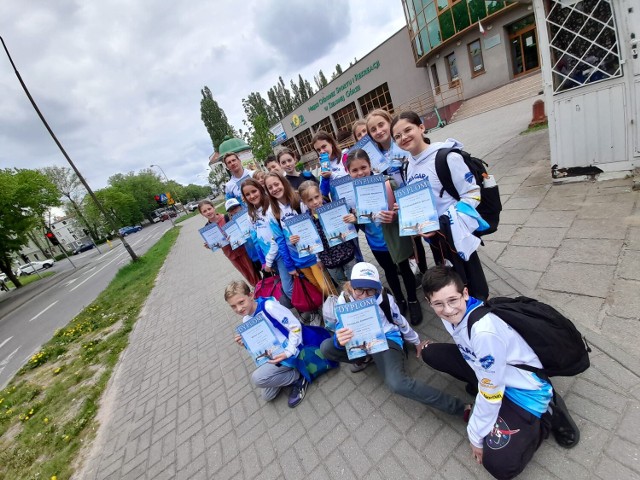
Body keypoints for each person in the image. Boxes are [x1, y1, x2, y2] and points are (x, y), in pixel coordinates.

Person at [421, 266, 579, 479]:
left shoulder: (484, 333)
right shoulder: (457, 313)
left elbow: (491, 393)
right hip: (488, 368)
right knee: (429, 353)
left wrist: (475, 436)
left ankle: (549, 412)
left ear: (465, 294)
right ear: (428, 301)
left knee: (500, 466)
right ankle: (482, 386)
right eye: (438, 304)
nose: (448, 310)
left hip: (522, 390)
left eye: (452, 300)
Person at [320, 262, 469, 414]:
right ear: (351, 286)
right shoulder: (343, 299)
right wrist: (339, 339)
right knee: (326, 347)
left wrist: (416, 341)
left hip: (385, 339)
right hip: (359, 339)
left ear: (377, 288)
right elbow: (340, 324)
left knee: (396, 383)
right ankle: (365, 358)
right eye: (359, 290)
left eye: (370, 291)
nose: (364, 296)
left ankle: (459, 408)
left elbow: (400, 321)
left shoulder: (385, 299)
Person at [391, 110, 489, 300]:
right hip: (434, 239)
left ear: (421, 127)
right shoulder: (407, 166)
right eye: (397, 136)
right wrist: (407, 211)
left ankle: (481, 315)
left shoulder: (447, 157)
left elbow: (472, 195)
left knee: (472, 286)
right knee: (451, 287)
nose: (403, 137)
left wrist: (443, 221)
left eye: (407, 130)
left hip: (457, 236)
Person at [344, 149, 423, 325]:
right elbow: (359, 221)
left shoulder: (387, 183)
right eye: (354, 170)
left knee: (405, 269)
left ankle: (412, 300)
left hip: (395, 238)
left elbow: (404, 207)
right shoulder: (351, 195)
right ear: (348, 172)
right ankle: (400, 301)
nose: (360, 173)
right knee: (389, 272)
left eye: (363, 167)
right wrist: (354, 219)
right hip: (375, 242)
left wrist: (395, 215)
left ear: (370, 165)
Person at [225, 280, 309, 408]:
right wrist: (245, 343)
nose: (239, 309)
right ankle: (288, 372)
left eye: (241, 302)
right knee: (267, 396)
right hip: (274, 354)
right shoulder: (246, 319)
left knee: (258, 379)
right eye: (233, 306)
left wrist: (289, 351)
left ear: (251, 295)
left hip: (290, 350)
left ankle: (298, 375)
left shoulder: (269, 306)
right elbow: (259, 345)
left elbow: (296, 326)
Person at [366, 109, 428, 277]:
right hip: (392, 206)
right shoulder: (372, 157)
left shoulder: (404, 145)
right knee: (404, 241)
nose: (379, 131)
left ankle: (425, 271)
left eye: (381, 125)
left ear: (389, 123)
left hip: (413, 199)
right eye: (373, 129)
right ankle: (414, 273)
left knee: (417, 238)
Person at [264, 172, 336, 298]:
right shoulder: (272, 212)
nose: (275, 189)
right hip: (297, 259)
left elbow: (315, 226)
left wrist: (319, 256)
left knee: (326, 287)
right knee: (317, 288)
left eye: (276, 184)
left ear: (283, 182)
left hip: (313, 255)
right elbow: (280, 241)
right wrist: (290, 266)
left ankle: (339, 308)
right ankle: (331, 311)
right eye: (270, 187)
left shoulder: (299, 200)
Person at [241, 178, 294, 306]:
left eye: (254, 191)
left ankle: (311, 311)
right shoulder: (251, 214)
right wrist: (264, 262)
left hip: (280, 255)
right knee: (284, 287)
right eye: (247, 194)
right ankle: (303, 311)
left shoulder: (271, 208)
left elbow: (276, 238)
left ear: (260, 189)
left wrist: (268, 261)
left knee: (288, 289)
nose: (252, 196)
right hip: (269, 259)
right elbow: (256, 241)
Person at [298, 180, 356, 286]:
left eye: (316, 197)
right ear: (304, 202)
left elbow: (350, 223)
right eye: (310, 200)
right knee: (344, 287)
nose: (315, 202)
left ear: (320, 194)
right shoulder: (306, 221)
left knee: (355, 284)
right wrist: (318, 259)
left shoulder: (335, 208)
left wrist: (353, 218)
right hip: (329, 261)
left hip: (346, 253)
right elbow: (310, 242)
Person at [198, 200, 260, 287]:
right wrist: (210, 245)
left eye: (209, 209)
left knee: (253, 271)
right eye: (204, 211)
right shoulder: (207, 228)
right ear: (202, 214)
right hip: (230, 254)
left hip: (242, 250)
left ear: (213, 207)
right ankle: (257, 290)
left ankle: (262, 289)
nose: (208, 212)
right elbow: (216, 244)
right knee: (246, 274)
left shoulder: (227, 217)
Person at [225, 197, 263, 281]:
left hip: (264, 248)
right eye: (231, 210)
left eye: (235, 207)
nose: (234, 211)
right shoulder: (231, 226)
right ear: (229, 213)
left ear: (240, 206)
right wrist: (231, 240)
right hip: (253, 255)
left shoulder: (251, 214)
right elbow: (238, 243)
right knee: (265, 273)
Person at [313, 130, 348, 198]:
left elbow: (351, 179)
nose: (322, 151)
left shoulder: (345, 157)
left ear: (331, 143)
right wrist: (325, 178)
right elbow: (324, 192)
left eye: (324, 146)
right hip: (339, 205)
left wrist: (332, 174)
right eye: (318, 150)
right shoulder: (324, 167)